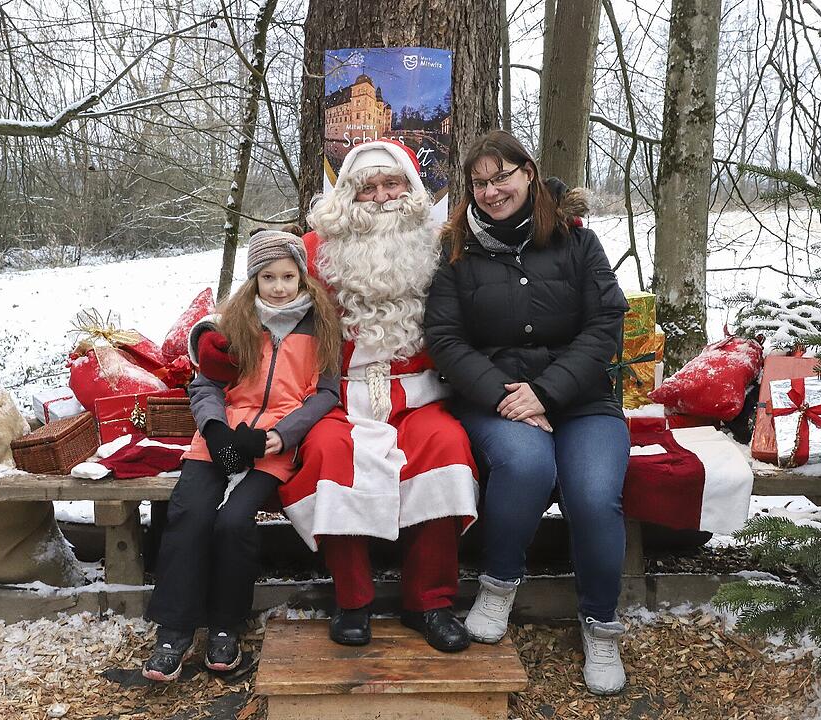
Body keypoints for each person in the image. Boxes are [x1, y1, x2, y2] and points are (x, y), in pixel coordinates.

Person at [424, 129, 632, 695]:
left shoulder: (576, 243)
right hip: (496, 396)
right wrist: (504, 394)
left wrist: (548, 393)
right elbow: (445, 339)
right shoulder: (457, 251)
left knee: (593, 493)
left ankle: (600, 625)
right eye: (480, 182)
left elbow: (605, 325)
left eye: (503, 177)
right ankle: (497, 587)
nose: (492, 191)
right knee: (527, 465)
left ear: (529, 174)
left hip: (582, 399)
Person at [277, 139, 480, 653]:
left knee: (445, 448)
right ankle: (353, 600)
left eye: (393, 184)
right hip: (338, 399)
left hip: (419, 396)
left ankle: (429, 602)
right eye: (368, 188)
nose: (383, 197)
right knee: (329, 454)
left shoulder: (440, 245)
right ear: (348, 197)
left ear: (412, 191)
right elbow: (267, 304)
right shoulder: (313, 249)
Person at [142, 229, 342, 682]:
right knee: (189, 513)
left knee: (233, 522)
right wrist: (213, 430)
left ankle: (225, 626)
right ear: (253, 280)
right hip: (222, 435)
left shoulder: (321, 324)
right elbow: (206, 384)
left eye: (288, 276)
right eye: (267, 277)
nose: (278, 287)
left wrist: (285, 436)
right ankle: (174, 629)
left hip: (273, 443)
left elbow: (325, 394)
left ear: (302, 277)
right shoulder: (231, 325)